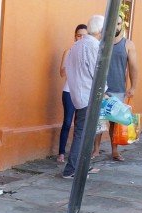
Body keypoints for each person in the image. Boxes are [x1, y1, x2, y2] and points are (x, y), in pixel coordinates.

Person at [61, 15, 104, 179]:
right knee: (83, 133)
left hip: (77, 94)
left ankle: (80, 166)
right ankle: (71, 169)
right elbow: (97, 73)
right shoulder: (93, 46)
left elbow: (70, 70)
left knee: (83, 132)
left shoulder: (77, 45)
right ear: (101, 30)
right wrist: (104, 91)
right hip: (88, 95)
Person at [93, 14, 139, 161]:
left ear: (122, 25)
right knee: (98, 121)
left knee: (116, 123)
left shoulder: (128, 44)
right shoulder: (100, 42)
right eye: (114, 23)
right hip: (101, 89)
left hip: (118, 89)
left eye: (119, 24)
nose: (116, 27)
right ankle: (96, 150)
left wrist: (133, 87)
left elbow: (133, 67)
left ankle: (114, 151)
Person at [58, 24, 89, 164]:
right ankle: (61, 153)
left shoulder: (90, 52)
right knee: (67, 121)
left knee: (80, 124)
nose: (81, 37)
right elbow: (62, 73)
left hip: (83, 92)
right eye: (78, 35)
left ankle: (76, 154)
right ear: (75, 36)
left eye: (84, 35)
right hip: (69, 91)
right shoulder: (68, 51)